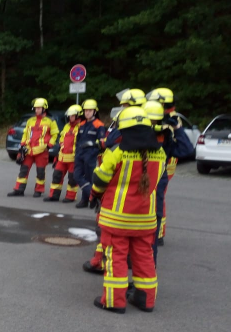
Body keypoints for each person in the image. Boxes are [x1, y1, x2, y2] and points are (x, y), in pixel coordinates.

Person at [89, 106, 165, 313]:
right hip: (145, 219)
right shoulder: (160, 154)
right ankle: (146, 299)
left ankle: (114, 301)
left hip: (117, 219)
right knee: (144, 257)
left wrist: (94, 194)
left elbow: (100, 180)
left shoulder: (117, 152)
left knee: (116, 258)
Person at [143, 98, 194, 262]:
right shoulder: (136, 136)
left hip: (155, 187)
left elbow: (186, 150)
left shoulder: (165, 138)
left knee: (151, 237)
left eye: (155, 120)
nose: (152, 124)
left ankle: (145, 278)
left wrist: (177, 129)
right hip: (139, 190)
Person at [7, 98, 58, 198]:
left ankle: (39, 190)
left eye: (38, 108)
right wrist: (22, 146)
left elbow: (55, 135)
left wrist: (49, 146)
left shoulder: (50, 121)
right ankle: (19, 189)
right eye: (35, 108)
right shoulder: (30, 120)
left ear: (44, 109)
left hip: (41, 151)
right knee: (23, 170)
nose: (36, 110)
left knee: (40, 171)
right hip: (28, 150)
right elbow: (25, 134)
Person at [73, 98, 107, 208]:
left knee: (88, 178)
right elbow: (78, 140)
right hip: (80, 154)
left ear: (94, 111)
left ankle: (85, 200)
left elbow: (101, 141)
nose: (87, 112)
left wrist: (92, 146)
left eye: (89, 110)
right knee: (77, 176)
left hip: (90, 154)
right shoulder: (81, 124)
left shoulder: (99, 124)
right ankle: (94, 197)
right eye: (86, 110)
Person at [45, 105, 82, 203]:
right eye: (69, 116)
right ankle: (54, 195)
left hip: (74, 158)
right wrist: (58, 153)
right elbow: (62, 141)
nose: (70, 117)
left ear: (78, 115)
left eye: (73, 116)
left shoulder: (81, 127)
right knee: (56, 175)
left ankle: (70, 197)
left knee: (72, 179)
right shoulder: (66, 126)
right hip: (62, 157)